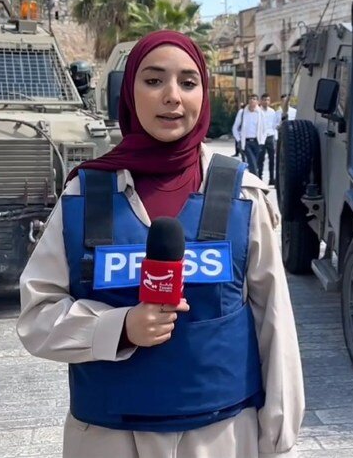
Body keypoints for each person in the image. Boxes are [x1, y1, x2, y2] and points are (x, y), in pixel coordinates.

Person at [16, 30, 304, 458]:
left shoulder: (243, 195)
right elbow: (37, 316)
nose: (172, 96)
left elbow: (273, 321)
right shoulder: (86, 195)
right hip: (108, 436)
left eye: (188, 82)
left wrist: (278, 436)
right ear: (128, 94)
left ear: (203, 94)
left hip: (223, 434)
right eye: (153, 81)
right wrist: (120, 327)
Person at [232, 94, 266, 175]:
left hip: (257, 142)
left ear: (257, 101)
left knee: (255, 164)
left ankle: (254, 179)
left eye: (254, 99)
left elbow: (264, 130)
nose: (252, 100)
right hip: (246, 142)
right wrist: (239, 140)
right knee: (252, 163)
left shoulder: (261, 113)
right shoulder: (242, 112)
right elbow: (234, 128)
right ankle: (256, 180)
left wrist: (262, 141)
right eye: (250, 99)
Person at [256, 94, 280, 185]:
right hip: (261, 137)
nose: (266, 102)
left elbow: (275, 125)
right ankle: (259, 177)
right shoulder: (258, 111)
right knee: (260, 158)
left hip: (270, 136)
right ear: (261, 101)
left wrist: (275, 137)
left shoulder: (272, 111)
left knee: (272, 159)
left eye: (268, 100)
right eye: (264, 100)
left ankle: (271, 178)